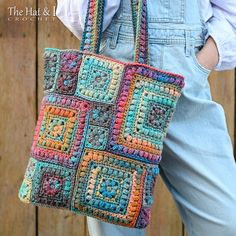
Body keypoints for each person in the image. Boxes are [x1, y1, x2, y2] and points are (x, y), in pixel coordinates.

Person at [56, 0, 236, 235]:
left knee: (226, 221)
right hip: (114, 84)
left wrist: (200, 64)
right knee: (112, 219)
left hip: (185, 85)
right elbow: (78, 15)